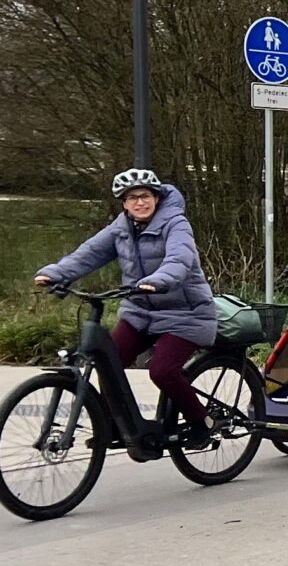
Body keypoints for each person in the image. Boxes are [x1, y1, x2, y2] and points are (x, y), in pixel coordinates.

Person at [33, 167, 216, 444]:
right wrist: (56, 273)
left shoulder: (176, 223)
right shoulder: (121, 229)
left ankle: (201, 421)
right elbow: (89, 254)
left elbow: (180, 259)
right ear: (124, 203)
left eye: (145, 196)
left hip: (186, 313)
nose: (139, 203)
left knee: (163, 371)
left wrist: (159, 280)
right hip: (140, 311)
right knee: (108, 361)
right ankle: (119, 425)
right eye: (132, 198)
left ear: (156, 197)